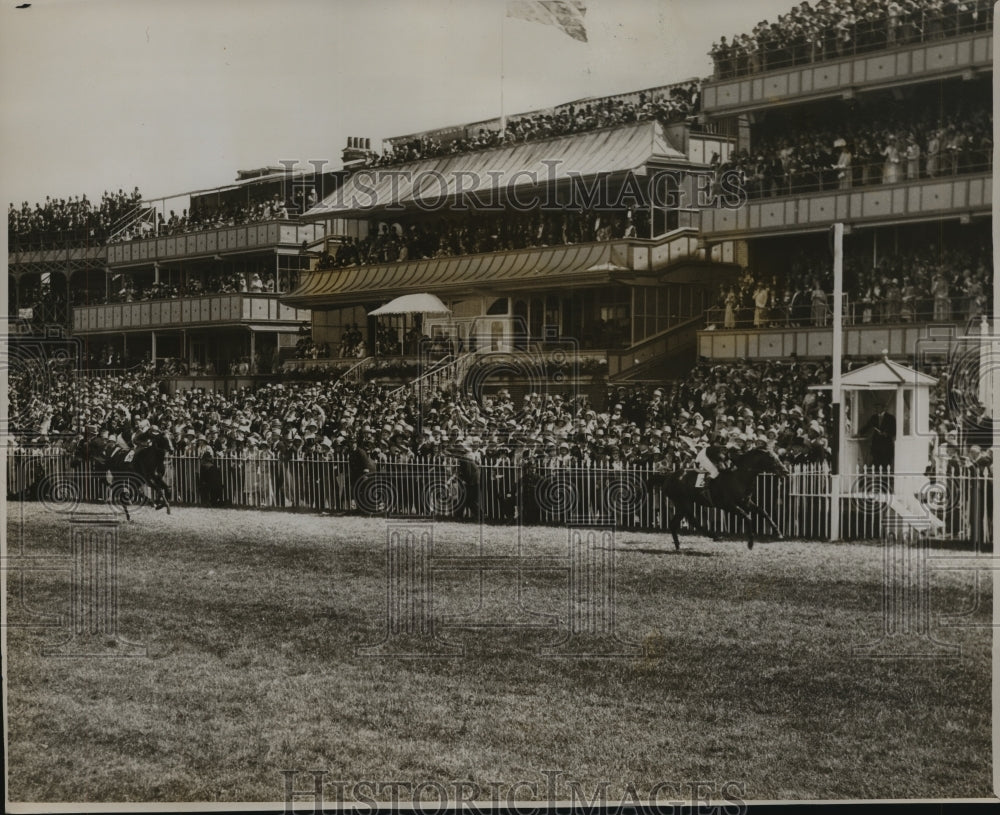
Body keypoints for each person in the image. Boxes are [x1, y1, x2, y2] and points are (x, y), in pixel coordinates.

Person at [861, 401, 896, 470]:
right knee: (876, 465)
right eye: (876, 407)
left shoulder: (890, 418)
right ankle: (878, 480)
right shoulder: (873, 417)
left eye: (878, 407)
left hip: (886, 447)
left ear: (883, 408)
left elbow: (894, 431)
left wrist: (886, 433)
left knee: (886, 466)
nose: (876, 409)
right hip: (876, 446)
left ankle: (885, 480)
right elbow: (867, 427)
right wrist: (860, 433)